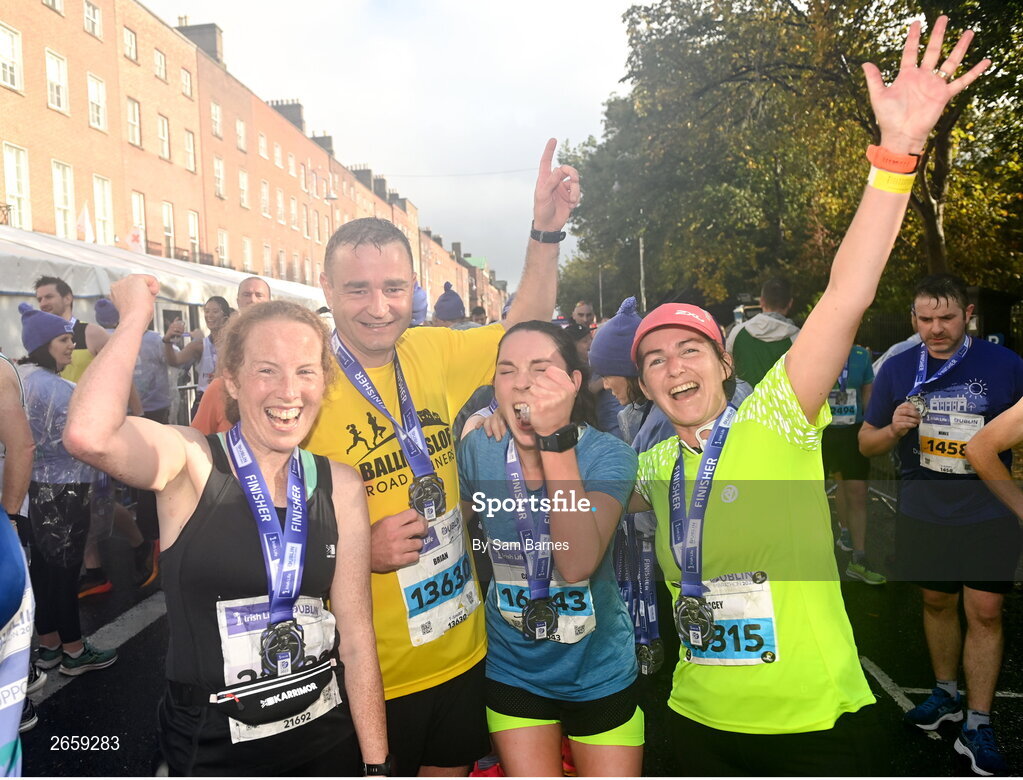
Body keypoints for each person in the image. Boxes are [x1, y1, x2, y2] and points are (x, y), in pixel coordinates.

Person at [626, 18, 987, 774]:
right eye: (654, 359)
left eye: (689, 348)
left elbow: (846, 294)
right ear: (645, 386)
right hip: (696, 720)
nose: (672, 366)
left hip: (814, 726)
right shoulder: (653, 469)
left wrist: (896, 157)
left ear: (724, 364)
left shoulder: (776, 416)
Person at [303, 137, 578, 776]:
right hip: (369, 669)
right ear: (327, 287)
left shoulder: (430, 351)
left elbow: (526, 325)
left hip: (459, 645)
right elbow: (258, 526)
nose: (379, 307)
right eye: (359, 289)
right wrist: (351, 554)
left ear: (415, 288)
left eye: (394, 287)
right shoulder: (302, 383)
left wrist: (544, 231)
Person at [63, 275, 389, 776]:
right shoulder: (193, 464)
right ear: (231, 380)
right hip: (214, 750)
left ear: (323, 381)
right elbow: (88, 434)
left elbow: (357, 637)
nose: (289, 392)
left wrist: (377, 765)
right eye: (267, 371)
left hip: (326, 742)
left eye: (306, 371)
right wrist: (134, 318)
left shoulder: (339, 484)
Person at [458, 321, 641, 776]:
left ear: (574, 382)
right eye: (507, 370)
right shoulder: (478, 449)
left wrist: (555, 438)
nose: (522, 382)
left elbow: (576, 563)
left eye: (541, 369)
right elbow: (452, 532)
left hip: (598, 668)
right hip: (513, 668)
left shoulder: (609, 455)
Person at [859, 274, 1022, 776]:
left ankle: (978, 720)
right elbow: (866, 443)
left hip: (987, 511)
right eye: (925, 319)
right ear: (914, 319)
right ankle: (946, 693)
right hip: (923, 510)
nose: (936, 328)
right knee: (935, 601)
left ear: (967, 314)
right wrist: (893, 428)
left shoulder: (1006, 365)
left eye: (946, 317)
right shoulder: (898, 367)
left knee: (986, 611)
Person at [16, 303, 118, 677]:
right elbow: (89, 434)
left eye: (70, 339)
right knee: (64, 572)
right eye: (62, 339)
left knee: (43, 571)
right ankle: (75, 650)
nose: (70, 346)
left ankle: (49, 646)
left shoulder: (21, 378)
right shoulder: (59, 389)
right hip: (65, 491)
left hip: (31, 488)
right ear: (43, 343)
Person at [0, 346, 37, 747]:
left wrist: (7, 518)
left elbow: (22, 446)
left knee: (9, 607)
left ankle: (18, 700)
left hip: (3, 513)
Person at [824, 343, 884, 584]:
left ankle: (859, 559)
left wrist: (869, 424)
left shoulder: (861, 355)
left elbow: (868, 391)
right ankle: (812, 559)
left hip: (852, 432)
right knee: (814, 494)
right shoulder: (816, 350)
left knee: (857, 492)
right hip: (821, 433)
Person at [192, 278, 273, 436]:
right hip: (232, 408)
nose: (252, 299)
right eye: (247, 294)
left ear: (269, 300)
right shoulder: (230, 334)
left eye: (259, 295)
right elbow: (221, 372)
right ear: (238, 300)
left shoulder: (282, 332)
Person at [162, 295, 232, 418]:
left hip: (228, 400)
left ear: (225, 318)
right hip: (204, 400)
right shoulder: (200, 345)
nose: (209, 315)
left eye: (215, 311)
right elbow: (174, 361)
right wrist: (168, 341)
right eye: (207, 311)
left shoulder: (235, 345)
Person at [33, 275, 110, 384]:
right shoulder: (41, 339)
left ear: (67, 299)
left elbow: (122, 375)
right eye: (39, 299)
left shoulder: (92, 333)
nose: (43, 304)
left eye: (49, 297)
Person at [724, 277, 800, 388]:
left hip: (744, 404)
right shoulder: (798, 339)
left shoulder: (737, 332)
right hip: (782, 404)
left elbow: (728, 368)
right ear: (790, 303)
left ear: (761, 301)